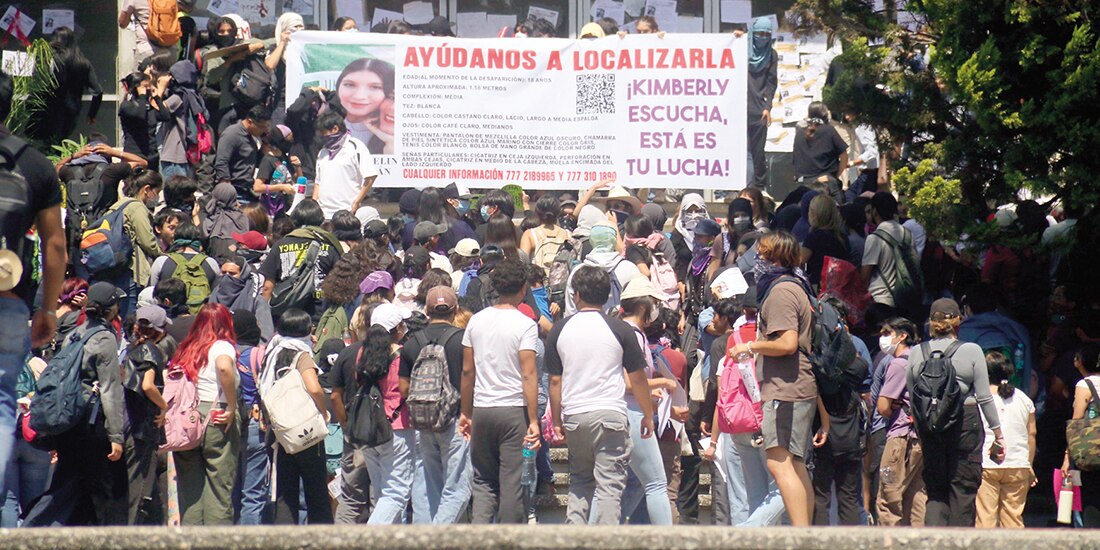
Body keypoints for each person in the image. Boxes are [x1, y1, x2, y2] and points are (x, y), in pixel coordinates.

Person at [726, 231, 829, 526]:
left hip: (786, 389)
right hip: (794, 387)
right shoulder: (794, 286)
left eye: (763, 255)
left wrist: (750, 345)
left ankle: (799, 537)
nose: (758, 261)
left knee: (779, 461)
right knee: (794, 465)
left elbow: (787, 343)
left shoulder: (781, 292)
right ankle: (804, 533)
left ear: (776, 259)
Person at [545, 267, 657, 525]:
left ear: (577, 295)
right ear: (608, 296)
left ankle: (574, 537)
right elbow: (638, 378)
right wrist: (647, 415)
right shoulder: (619, 329)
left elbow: (554, 380)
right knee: (609, 486)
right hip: (610, 416)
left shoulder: (560, 329)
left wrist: (558, 421)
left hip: (574, 416)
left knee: (580, 483)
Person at [24, 283, 128, 526]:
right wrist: (116, 435)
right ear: (111, 309)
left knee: (71, 484)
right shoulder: (105, 338)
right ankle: (32, 529)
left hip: (70, 418)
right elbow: (111, 389)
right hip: (91, 423)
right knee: (103, 488)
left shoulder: (75, 332)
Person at [906, 298, 1004, 527]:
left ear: (931, 323)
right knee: (963, 490)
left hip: (931, 425)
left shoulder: (916, 353)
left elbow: (913, 399)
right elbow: (984, 396)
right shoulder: (971, 351)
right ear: (958, 322)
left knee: (936, 491)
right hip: (965, 422)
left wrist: (923, 432)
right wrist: (998, 435)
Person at [457, 259, 541, 524]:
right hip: (513, 411)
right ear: (523, 288)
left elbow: (467, 372)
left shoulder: (476, 321)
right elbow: (528, 373)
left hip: (482, 409)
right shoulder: (525, 324)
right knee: (512, 484)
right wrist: (534, 419)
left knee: (483, 481)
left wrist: (465, 412)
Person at [400, 286, 470, 524]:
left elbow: (403, 388)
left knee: (427, 487)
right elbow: (470, 379)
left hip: (421, 421)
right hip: (455, 420)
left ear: (427, 311)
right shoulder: (462, 340)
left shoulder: (411, 344)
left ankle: (425, 538)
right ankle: (438, 537)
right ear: (455, 310)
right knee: (458, 487)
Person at [172, 303, 241, 525]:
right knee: (219, 490)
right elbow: (224, 368)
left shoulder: (187, 347)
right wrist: (231, 406)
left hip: (187, 420)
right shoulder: (222, 346)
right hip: (216, 415)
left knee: (191, 493)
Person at [262, 309, 333, 524]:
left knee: (285, 491)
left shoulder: (271, 353)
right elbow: (314, 388)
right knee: (316, 491)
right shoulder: (301, 354)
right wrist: (323, 412)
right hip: (304, 431)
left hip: (280, 432)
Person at [92, 169, 165, 321]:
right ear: (147, 189)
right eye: (156, 192)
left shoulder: (118, 205)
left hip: (113, 264)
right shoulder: (137, 207)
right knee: (129, 315)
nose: (156, 197)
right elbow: (148, 241)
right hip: (131, 268)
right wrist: (163, 256)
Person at [975, 351, 1036, 528]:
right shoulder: (1024, 399)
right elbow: (1031, 434)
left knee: (986, 517)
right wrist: (1029, 464)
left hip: (987, 463)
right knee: (1013, 518)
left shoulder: (980, 398)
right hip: (1018, 463)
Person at [874, 317, 926, 526]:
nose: (883, 338)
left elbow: (882, 406)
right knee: (917, 496)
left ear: (902, 335)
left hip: (899, 438)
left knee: (888, 495)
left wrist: (891, 409)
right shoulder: (921, 359)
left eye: (887, 333)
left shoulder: (898, 365)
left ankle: (889, 542)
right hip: (920, 438)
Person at [124, 306, 170, 525]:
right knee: (140, 489)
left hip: (130, 425)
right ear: (159, 331)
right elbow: (148, 385)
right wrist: (164, 406)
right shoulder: (151, 351)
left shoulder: (131, 349)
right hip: (143, 429)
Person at [260, 199, 344, 318]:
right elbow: (339, 283)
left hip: (286, 314)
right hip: (320, 313)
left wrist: (264, 318)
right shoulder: (330, 245)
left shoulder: (280, 245)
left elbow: (268, 286)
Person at [230, 310, 269, 525]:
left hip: (229, 424)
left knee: (232, 488)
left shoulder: (224, 355)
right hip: (256, 424)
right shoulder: (258, 354)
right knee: (253, 491)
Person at [35, 27, 103, 143]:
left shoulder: (50, 60)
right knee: (61, 142)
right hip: (71, 111)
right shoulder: (83, 63)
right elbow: (97, 91)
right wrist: (92, 114)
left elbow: (37, 81)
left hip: (48, 109)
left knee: (45, 143)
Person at [861, 192, 920, 321]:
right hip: (906, 297)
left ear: (875, 211)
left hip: (882, 299)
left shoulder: (875, 238)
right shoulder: (907, 233)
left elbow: (865, 275)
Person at [313, 112, 379, 220]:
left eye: (323, 132)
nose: (321, 136)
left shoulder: (355, 147)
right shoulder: (323, 152)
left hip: (347, 213)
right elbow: (318, 182)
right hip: (323, 214)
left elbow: (370, 176)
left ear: (335, 129)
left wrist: (357, 202)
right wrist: (314, 206)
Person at [564, 224, 641, 316]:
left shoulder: (578, 272)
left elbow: (570, 310)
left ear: (591, 240)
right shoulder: (630, 268)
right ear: (614, 240)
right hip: (620, 327)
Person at [1062, 344, 1100, 526]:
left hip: (1091, 450)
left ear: (1080, 361)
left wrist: (1067, 458)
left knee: (1089, 495)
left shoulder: (1085, 385)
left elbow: (1076, 422)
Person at [158, 60, 208, 179]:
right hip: (184, 155)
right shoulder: (193, 95)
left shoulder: (178, 97)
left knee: (174, 194)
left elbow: (157, 109)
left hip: (173, 156)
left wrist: (160, 88)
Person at [335, 58, 396, 153]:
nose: (359, 96)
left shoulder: (390, 129)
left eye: (375, 87)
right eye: (349, 85)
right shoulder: (322, 116)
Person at [792, 102, 848, 204]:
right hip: (826, 184)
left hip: (804, 184)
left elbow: (796, 160)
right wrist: (835, 176)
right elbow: (844, 156)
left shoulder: (799, 133)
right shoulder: (829, 131)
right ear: (825, 114)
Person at [215, 105, 271, 204]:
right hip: (235, 192)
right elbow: (221, 163)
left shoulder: (252, 136)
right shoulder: (232, 134)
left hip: (248, 191)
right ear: (250, 122)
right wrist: (229, 195)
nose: (265, 130)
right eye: (262, 127)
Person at [746, 17, 778, 189]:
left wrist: (768, 107)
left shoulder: (771, 55)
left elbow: (772, 83)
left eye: (767, 34)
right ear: (753, 33)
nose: (763, 37)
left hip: (759, 111)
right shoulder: (741, 50)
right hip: (738, 109)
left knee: (758, 153)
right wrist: (736, 39)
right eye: (759, 33)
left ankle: (759, 190)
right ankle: (727, 191)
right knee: (736, 151)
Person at [800, 194, 850, 287]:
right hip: (840, 287)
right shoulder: (842, 237)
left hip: (820, 286)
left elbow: (800, 261)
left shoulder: (814, 237)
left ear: (814, 214)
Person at [119, 0, 176, 68]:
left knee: (143, 78)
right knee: (167, 77)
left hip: (147, 50)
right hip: (170, 50)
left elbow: (122, 24)